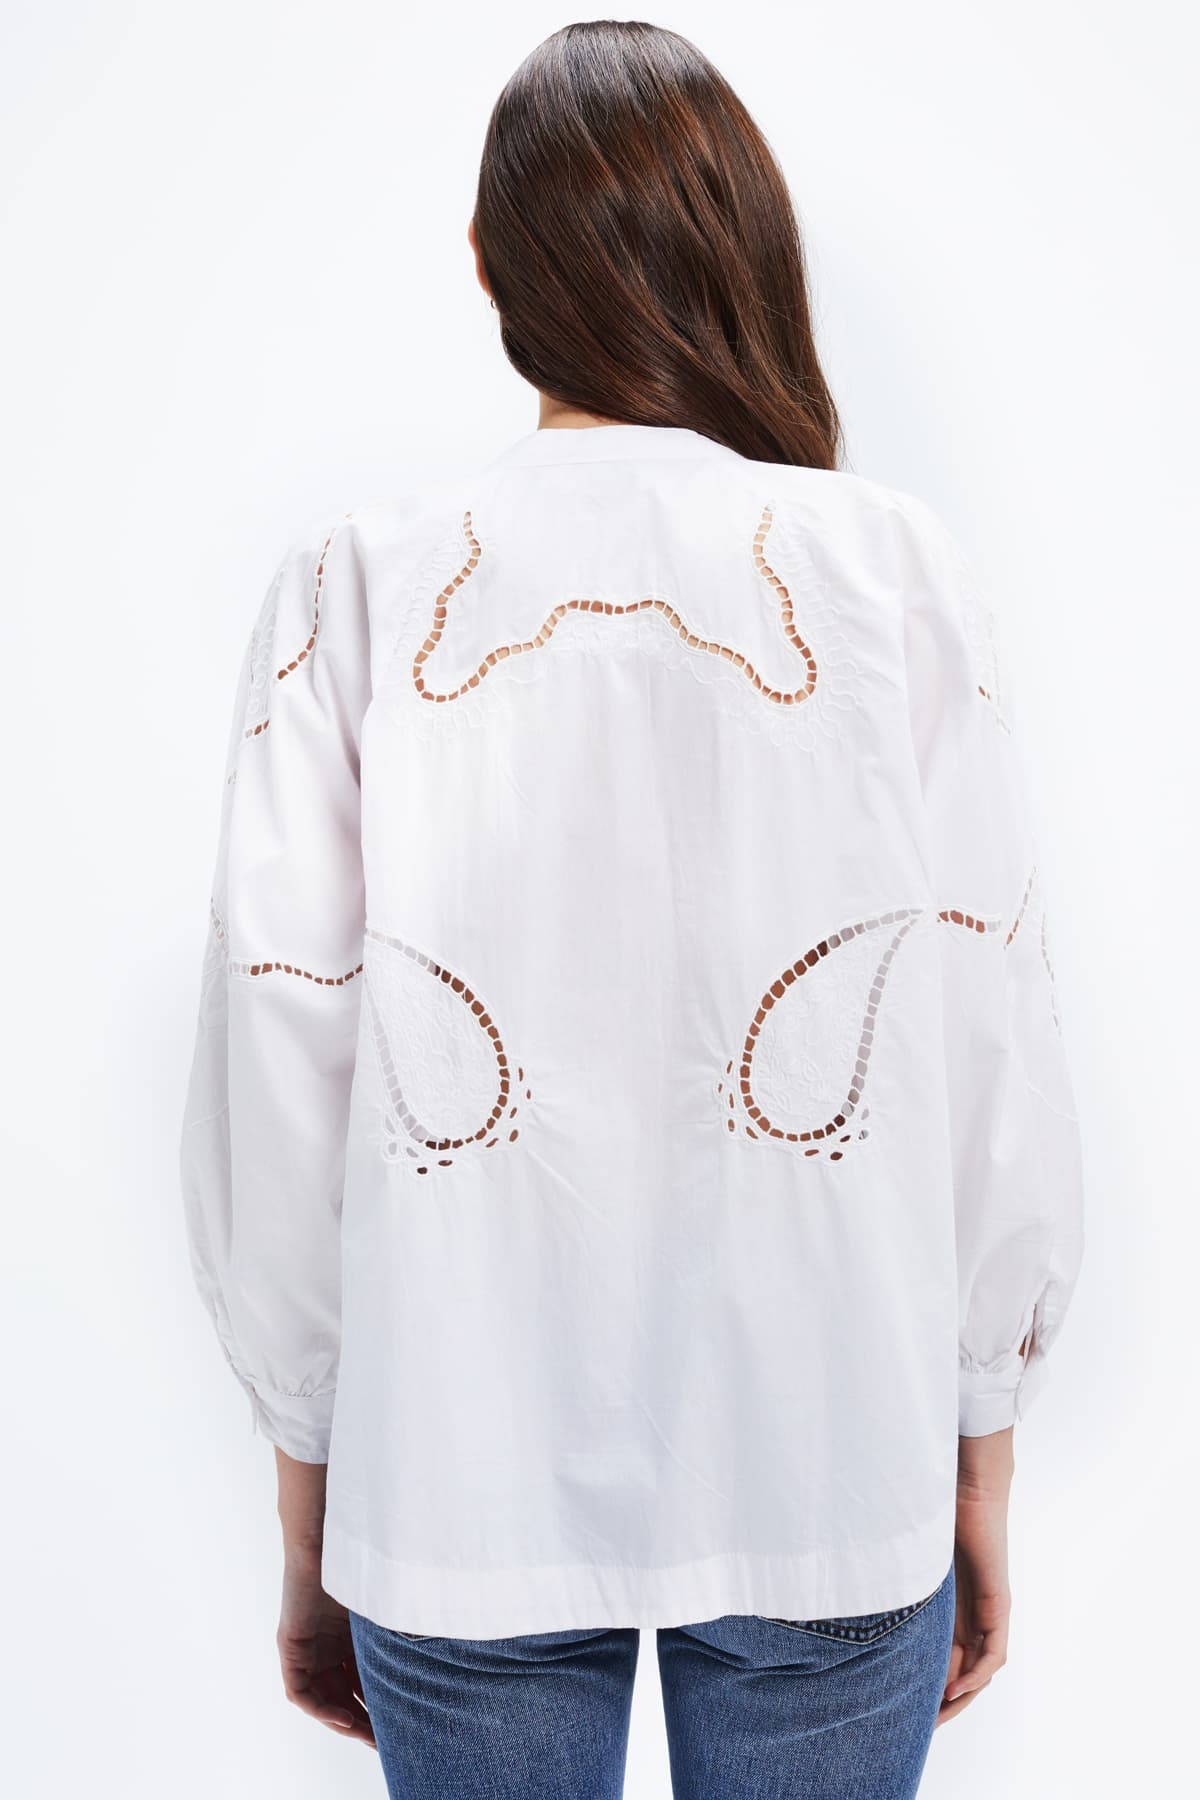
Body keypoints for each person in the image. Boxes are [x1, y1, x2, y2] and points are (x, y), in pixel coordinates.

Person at [178, 19, 1085, 1798]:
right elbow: (988, 1019)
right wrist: (981, 1445)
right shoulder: (885, 568)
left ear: (487, 262)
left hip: (456, 1475)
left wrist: (310, 1486)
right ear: (746, 244)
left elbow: (284, 1036)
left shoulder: (357, 584)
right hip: (834, 1454)